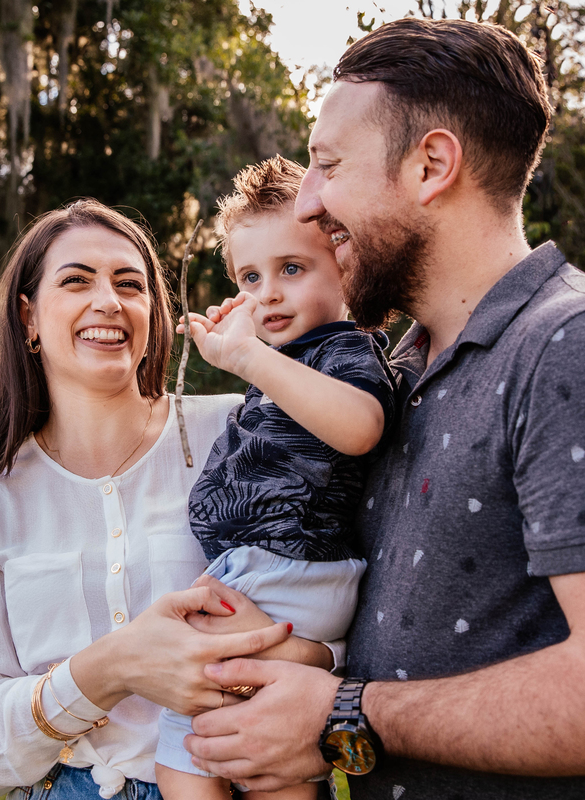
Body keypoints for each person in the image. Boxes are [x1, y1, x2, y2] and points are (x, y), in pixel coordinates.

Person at [182, 17, 585, 799]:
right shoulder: (400, 368)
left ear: (431, 165)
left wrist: (350, 713)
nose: (310, 202)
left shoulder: (582, 348)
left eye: (327, 166)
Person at [0, 199, 334, 800]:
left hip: (252, 780)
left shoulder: (241, 430)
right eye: (76, 281)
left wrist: (296, 649)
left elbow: (341, 584)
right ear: (28, 318)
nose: (109, 302)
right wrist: (112, 668)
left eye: (130, 284)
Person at [154, 156, 394, 800]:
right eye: (248, 277)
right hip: (267, 572)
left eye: (292, 268)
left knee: (187, 747)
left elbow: (360, 426)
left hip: (290, 569)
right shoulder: (289, 364)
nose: (268, 294)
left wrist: (250, 357)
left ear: (345, 266)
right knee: (257, 748)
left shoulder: (345, 348)